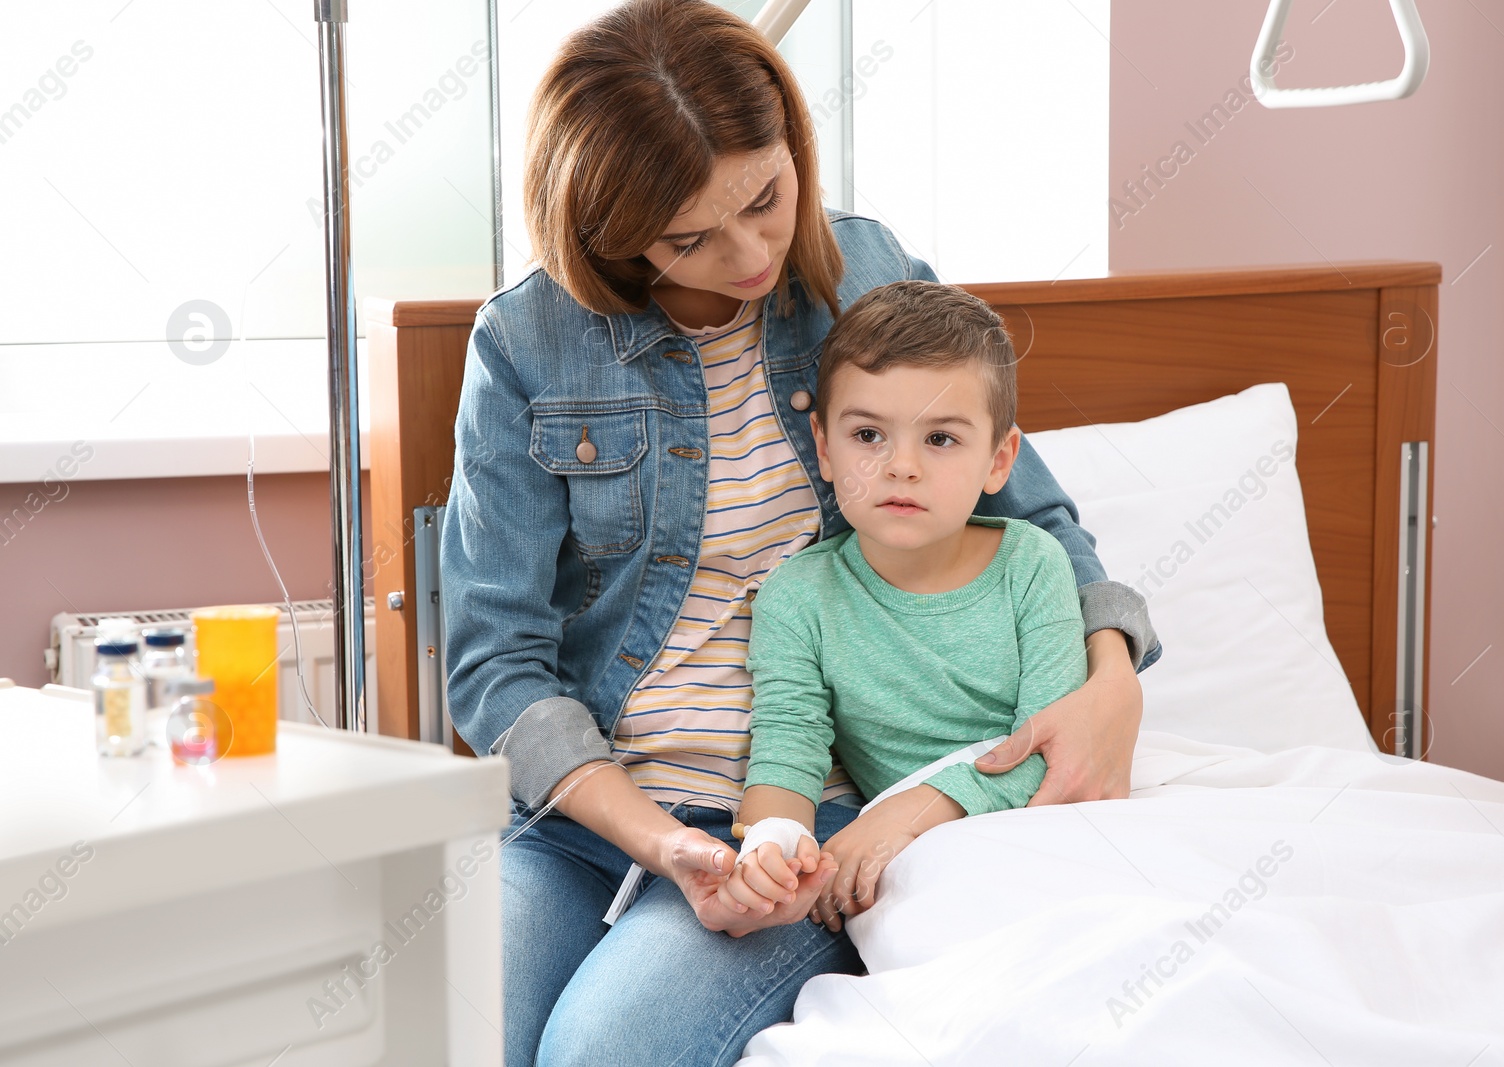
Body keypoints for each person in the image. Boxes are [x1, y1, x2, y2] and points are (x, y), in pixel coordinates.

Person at [437, 1, 1160, 1063]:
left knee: (598, 1052)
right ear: (604, 228)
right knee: (451, 1034)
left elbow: (1030, 513)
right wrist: (656, 836)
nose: (748, 254)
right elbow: (495, 661)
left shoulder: (863, 272)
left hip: (799, 822)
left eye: (765, 198)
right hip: (583, 821)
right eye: (688, 236)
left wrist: (1113, 678)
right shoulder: (526, 339)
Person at [728, 281, 1087, 933]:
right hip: (918, 861)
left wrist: (906, 814)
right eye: (868, 434)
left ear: (999, 458)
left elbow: (1050, 751)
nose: (901, 466)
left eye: (941, 439)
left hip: (1045, 824)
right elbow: (788, 746)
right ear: (825, 447)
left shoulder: (1033, 565)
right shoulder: (798, 597)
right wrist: (770, 849)